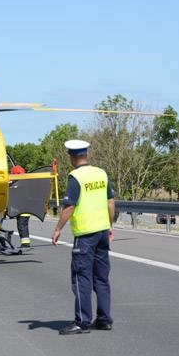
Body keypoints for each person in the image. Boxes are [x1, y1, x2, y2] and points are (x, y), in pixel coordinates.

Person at [52, 140, 115, 335]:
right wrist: (110, 226)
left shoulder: (75, 177)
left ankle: (82, 321)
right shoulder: (101, 173)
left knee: (81, 278)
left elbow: (69, 206)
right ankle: (104, 320)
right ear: (85, 154)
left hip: (85, 235)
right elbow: (110, 202)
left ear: (72, 156)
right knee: (101, 278)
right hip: (102, 232)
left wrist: (57, 228)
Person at [10, 163, 32, 249]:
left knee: (22, 226)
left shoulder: (17, 184)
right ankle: (25, 243)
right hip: (25, 210)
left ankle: (25, 244)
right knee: (23, 226)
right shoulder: (26, 183)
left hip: (23, 210)